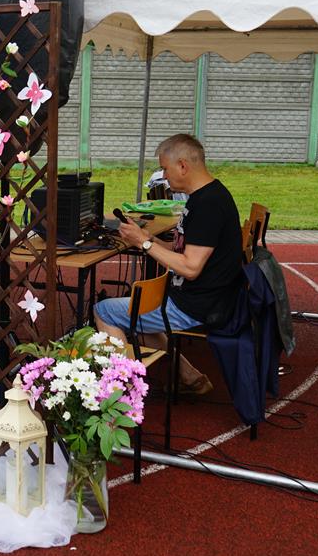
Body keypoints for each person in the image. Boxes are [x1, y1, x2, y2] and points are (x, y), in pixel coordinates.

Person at [94, 133, 243, 395]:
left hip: (198, 306)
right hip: (203, 298)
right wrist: (147, 237)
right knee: (136, 311)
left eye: (165, 168)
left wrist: (144, 244)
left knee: (104, 310)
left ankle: (122, 394)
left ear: (183, 166)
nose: (163, 175)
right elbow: (183, 251)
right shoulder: (205, 196)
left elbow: (190, 268)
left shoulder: (208, 205)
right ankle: (190, 378)